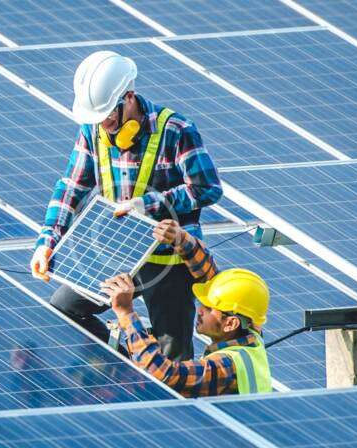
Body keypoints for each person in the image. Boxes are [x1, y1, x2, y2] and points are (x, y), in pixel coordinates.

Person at [29, 51, 222, 361]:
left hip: (168, 260)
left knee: (173, 358)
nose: (103, 125)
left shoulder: (176, 130)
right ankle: (128, 367)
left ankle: (157, 376)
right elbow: (71, 188)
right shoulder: (93, 130)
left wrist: (147, 204)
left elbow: (207, 188)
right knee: (64, 309)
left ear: (129, 97)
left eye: (108, 115)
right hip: (116, 252)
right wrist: (46, 242)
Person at [101, 220, 272, 397]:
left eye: (209, 308)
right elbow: (212, 278)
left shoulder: (227, 367)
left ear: (230, 323)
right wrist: (181, 238)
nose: (200, 310)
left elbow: (163, 375)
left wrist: (126, 313)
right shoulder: (250, 329)